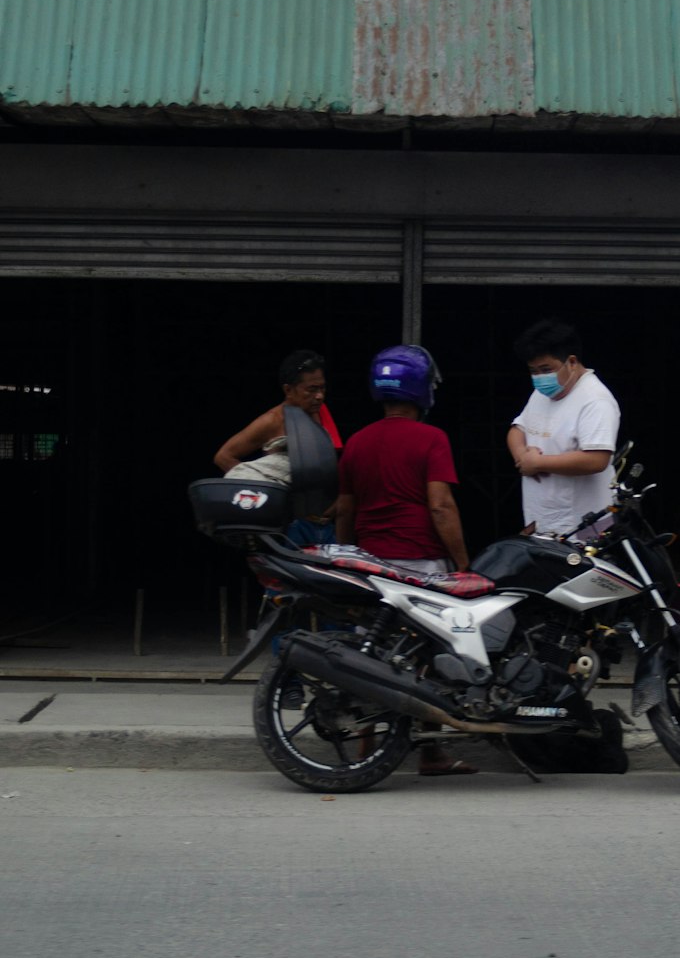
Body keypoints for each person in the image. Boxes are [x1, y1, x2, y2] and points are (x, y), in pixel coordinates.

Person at [335, 344, 475, 776]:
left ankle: (366, 751)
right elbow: (440, 506)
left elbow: (344, 508)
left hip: (372, 566)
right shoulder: (432, 439)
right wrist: (463, 565)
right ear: (422, 390)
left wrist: (346, 559)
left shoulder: (357, 442)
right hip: (422, 566)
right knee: (430, 659)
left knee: (372, 657)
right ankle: (431, 754)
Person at [214, 348, 342, 545]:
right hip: (290, 527)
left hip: (324, 526)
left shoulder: (321, 413)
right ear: (288, 390)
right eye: (311, 389)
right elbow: (223, 456)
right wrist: (267, 494)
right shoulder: (272, 420)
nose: (319, 396)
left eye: (322, 388)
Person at [507, 318, 621, 538]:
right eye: (533, 371)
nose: (540, 377)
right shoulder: (542, 394)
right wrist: (522, 456)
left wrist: (538, 463)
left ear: (571, 361)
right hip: (542, 521)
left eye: (546, 369)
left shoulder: (595, 400)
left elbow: (597, 459)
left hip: (582, 529)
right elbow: (517, 429)